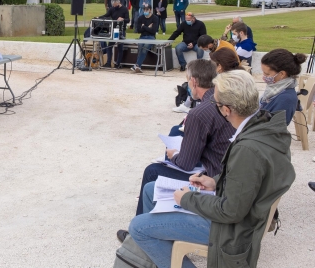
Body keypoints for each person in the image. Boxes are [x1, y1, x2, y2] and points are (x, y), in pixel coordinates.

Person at [126, 70, 295, 268]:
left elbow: (231, 212)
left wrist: (189, 199)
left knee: (137, 227)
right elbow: (248, 179)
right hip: (240, 213)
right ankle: (162, 256)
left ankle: (164, 254)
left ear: (226, 110)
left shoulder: (247, 149)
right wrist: (215, 181)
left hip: (232, 230)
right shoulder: (263, 124)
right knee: (151, 189)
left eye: (215, 103)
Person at [134, 59, 235, 215]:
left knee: (152, 171)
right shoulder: (221, 99)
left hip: (215, 174)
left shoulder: (200, 112)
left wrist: (174, 155)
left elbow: (186, 164)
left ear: (193, 81)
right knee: (176, 132)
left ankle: (140, 229)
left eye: (187, 80)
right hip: (226, 167)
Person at [260, 48, 307, 125]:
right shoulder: (276, 89)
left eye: (267, 74)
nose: (263, 76)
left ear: (282, 74)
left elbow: (274, 129)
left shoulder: (286, 99)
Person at [98, 0, 130, 68]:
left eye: (115, 5)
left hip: (121, 30)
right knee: (109, 46)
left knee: (120, 48)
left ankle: (118, 63)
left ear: (118, 3)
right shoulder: (112, 9)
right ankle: (108, 63)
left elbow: (128, 20)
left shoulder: (124, 9)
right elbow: (106, 15)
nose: (114, 7)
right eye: (113, 5)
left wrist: (123, 19)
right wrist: (98, 17)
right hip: (114, 30)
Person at [130, 5, 158, 73]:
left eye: (147, 10)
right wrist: (148, 27)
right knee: (140, 47)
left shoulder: (155, 18)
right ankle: (138, 66)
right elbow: (138, 30)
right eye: (144, 10)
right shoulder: (141, 18)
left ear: (150, 10)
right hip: (142, 36)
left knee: (145, 47)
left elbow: (153, 31)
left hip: (151, 37)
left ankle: (136, 65)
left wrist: (144, 27)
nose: (145, 11)